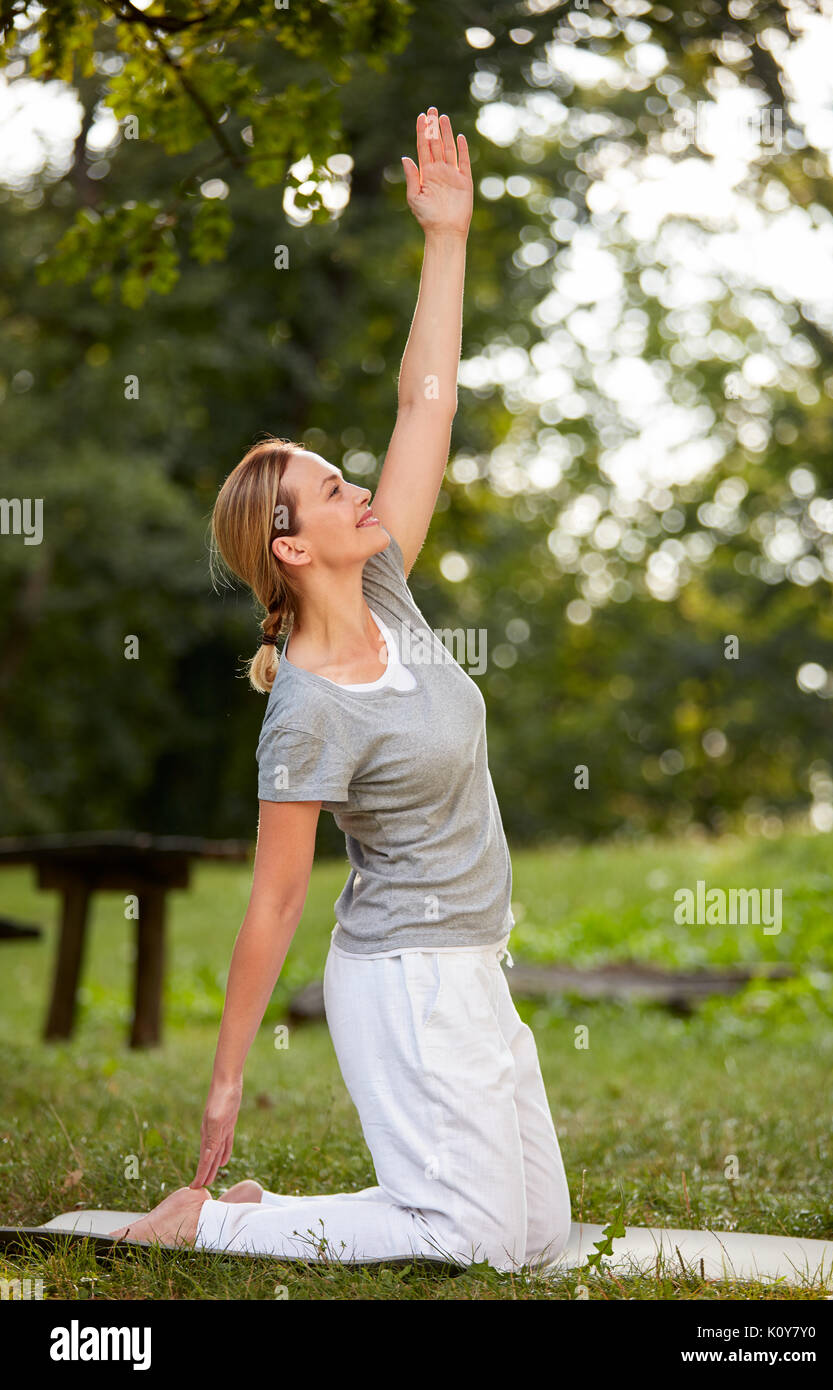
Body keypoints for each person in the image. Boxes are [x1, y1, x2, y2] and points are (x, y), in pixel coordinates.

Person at [109, 107, 572, 1273]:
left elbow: (426, 401)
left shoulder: (392, 601)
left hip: (474, 967)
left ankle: (273, 1208)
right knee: (471, 1239)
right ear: (291, 547)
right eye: (327, 488)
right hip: (403, 980)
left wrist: (447, 239)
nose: (356, 484)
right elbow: (270, 908)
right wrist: (225, 1081)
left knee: (540, 1239)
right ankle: (213, 1218)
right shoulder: (306, 705)